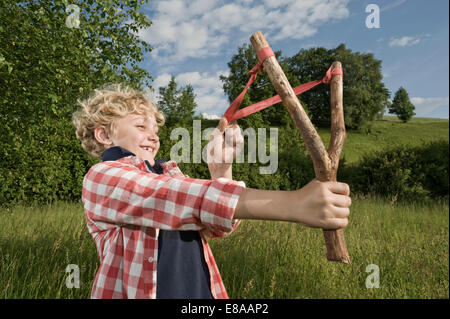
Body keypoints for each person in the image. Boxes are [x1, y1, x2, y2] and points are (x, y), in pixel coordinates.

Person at [72, 84, 351, 299]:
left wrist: (221, 172)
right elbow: (172, 196)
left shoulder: (169, 174)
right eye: (141, 126)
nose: (154, 135)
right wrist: (294, 204)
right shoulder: (103, 178)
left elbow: (217, 224)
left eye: (156, 129)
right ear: (104, 135)